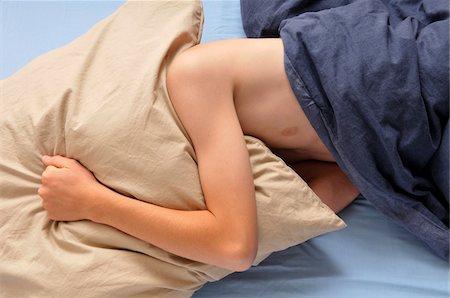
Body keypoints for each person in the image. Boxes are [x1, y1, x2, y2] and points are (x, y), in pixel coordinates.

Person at [37, 38, 359, 272]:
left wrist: (95, 203)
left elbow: (233, 248)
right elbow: (365, 176)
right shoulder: (277, 161)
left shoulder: (196, 75)